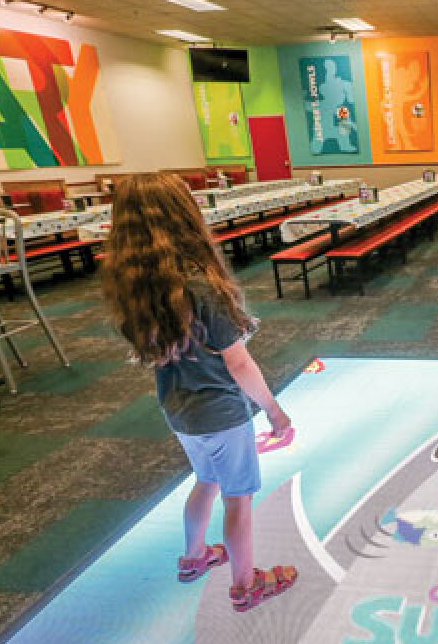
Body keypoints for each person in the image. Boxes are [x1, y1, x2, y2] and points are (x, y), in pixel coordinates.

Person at [102, 172, 297, 613]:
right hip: (222, 413)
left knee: (206, 480)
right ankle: (246, 584)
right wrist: (274, 411)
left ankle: (194, 557)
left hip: (179, 412)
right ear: (184, 217)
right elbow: (239, 364)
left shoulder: (139, 289)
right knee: (238, 498)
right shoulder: (202, 286)